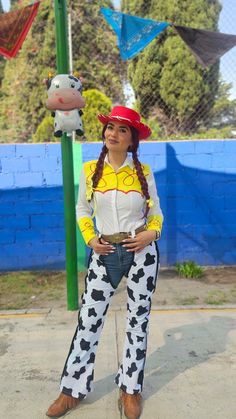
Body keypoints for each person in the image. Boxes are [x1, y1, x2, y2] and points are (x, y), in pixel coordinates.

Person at [46, 106, 163, 419]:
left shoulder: (144, 172)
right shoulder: (89, 171)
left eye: (122, 130)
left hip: (141, 252)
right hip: (105, 252)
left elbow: (156, 214)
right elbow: (83, 211)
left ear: (131, 140)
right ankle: (71, 390)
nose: (113, 133)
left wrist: (150, 235)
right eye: (110, 127)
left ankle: (130, 388)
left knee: (138, 323)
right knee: (88, 321)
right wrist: (89, 239)